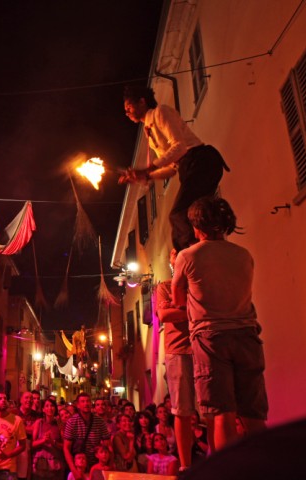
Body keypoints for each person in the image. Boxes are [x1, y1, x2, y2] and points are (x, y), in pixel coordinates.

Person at [172, 196, 268, 451]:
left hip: (210, 338)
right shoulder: (244, 254)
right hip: (247, 335)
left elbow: (178, 299)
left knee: (222, 413)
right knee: (254, 413)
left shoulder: (187, 256)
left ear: (196, 227)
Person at [120, 85, 229, 251]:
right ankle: (189, 253)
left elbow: (180, 147)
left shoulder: (160, 113)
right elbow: (171, 168)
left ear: (142, 102)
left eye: (129, 107)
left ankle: (197, 252)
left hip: (201, 161)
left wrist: (148, 169)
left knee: (179, 214)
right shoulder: (149, 133)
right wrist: (147, 176)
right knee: (189, 217)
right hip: (189, 167)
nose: (127, 113)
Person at [156, 248, 195, 471]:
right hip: (178, 350)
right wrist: (195, 310)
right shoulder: (163, 286)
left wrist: (179, 308)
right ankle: (186, 466)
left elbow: (172, 313)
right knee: (182, 410)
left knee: (211, 409)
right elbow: (164, 315)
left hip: (202, 346)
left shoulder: (198, 285)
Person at [62, 392, 110, 474]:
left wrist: (109, 464)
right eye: (83, 401)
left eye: (88, 401)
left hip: (96, 465)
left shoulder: (100, 421)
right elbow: (66, 447)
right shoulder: (72, 421)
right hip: (78, 465)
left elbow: (107, 445)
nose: (86, 404)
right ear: (78, 405)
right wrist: (73, 470)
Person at [0, 392, 27, 480]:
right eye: (0, 399)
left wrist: (8, 455)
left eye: (5, 398)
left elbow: (23, 445)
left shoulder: (17, 420)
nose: (3, 400)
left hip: (8, 469)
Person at [30, 399, 64, 480]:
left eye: (52, 406)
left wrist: (53, 442)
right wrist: (43, 440)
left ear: (55, 408)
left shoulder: (59, 423)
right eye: (47, 406)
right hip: (40, 463)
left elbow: (64, 446)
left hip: (55, 464)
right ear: (43, 409)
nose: (50, 408)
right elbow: (32, 444)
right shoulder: (39, 423)